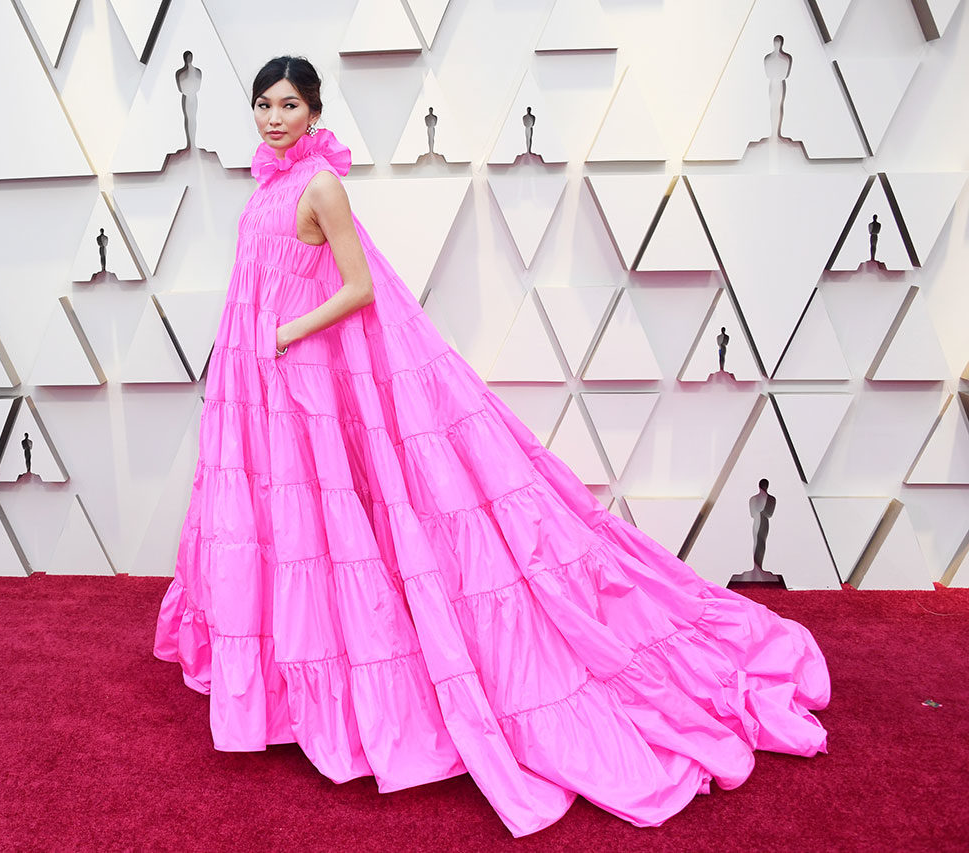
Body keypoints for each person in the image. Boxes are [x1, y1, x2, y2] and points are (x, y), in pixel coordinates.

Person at [152, 55, 830, 838]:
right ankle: (293, 683)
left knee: (343, 530)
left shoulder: (320, 186)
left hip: (299, 367)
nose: (273, 118)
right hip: (274, 386)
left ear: (313, 112)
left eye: (289, 105)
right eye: (264, 104)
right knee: (295, 532)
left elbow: (358, 286)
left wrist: (284, 334)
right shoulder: (269, 182)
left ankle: (362, 689)